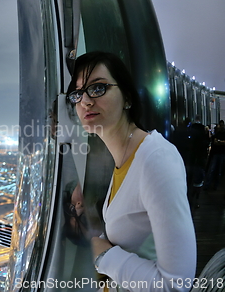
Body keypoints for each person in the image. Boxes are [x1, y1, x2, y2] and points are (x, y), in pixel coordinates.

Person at [66, 51, 196, 291]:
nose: (85, 101)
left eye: (98, 88)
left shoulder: (156, 159)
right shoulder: (124, 159)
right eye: (78, 93)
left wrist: (103, 255)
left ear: (127, 98)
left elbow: (177, 285)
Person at [204, 120, 225, 190]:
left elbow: (216, 142)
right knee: (216, 170)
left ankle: (209, 185)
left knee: (213, 170)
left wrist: (219, 142)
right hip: (220, 153)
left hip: (218, 153)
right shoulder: (219, 134)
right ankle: (214, 185)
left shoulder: (217, 134)